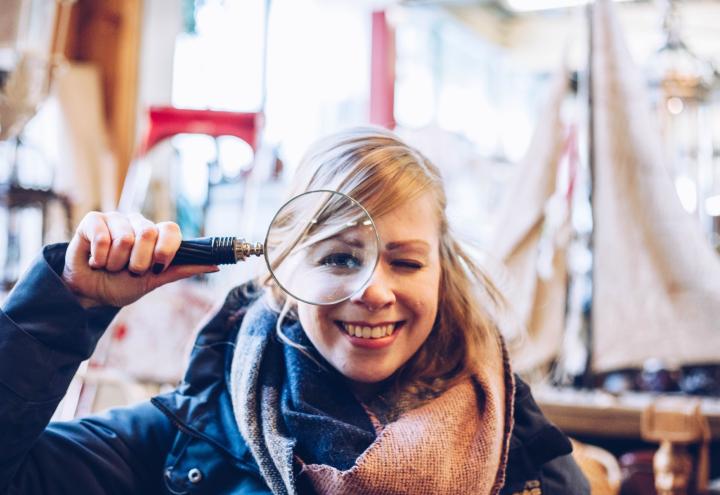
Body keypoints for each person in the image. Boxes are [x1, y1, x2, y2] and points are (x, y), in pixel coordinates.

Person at [0, 127, 589, 494]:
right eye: (338, 259)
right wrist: (66, 304)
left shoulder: (526, 459)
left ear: (442, 272)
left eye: (406, 262)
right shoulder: (186, 441)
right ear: (283, 276)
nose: (374, 291)